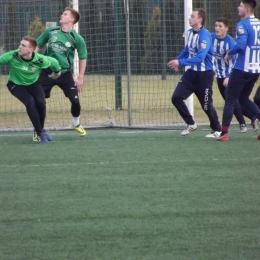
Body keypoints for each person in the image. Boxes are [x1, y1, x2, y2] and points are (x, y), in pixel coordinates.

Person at [35, 7, 87, 141]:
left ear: (71, 19)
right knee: (39, 101)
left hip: (65, 74)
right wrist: (33, 62)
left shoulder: (77, 38)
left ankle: (76, 123)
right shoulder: (50, 31)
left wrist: (80, 77)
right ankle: (38, 129)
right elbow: (37, 45)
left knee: (75, 102)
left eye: (65, 14)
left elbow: (83, 57)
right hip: (47, 72)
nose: (61, 15)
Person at [168, 8, 221, 137]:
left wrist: (180, 63)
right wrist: (178, 60)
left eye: (192, 16)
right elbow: (187, 50)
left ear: (199, 19)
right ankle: (191, 123)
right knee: (176, 97)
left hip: (204, 75)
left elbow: (200, 58)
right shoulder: (190, 32)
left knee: (207, 105)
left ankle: (218, 130)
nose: (189, 18)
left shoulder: (205, 36)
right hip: (191, 74)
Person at [0, 36, 61, 144]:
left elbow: (55, 62)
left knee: (41, 103)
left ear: (31, 50)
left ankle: (41, 129)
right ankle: (40, 134)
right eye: (20, 44)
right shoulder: (12, 56)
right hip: (15, 84)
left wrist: (57, 73)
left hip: (33, 83)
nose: (20, 47)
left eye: (23, 45)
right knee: (30, 102)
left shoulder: (40, 60)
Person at [216, 0, 260, 141]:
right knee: (243, 98)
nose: (238, 8)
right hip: (255, 70)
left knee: (230, 99)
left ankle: (224, 133)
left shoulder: (242, 25)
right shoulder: (258, 24)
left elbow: (240, 45)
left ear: (246, 9)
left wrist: (229, 52)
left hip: (242, 68)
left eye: (240, 6)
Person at [210, 17, 248, 136]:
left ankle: (242, 123)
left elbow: (236, 61)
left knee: (230, 101)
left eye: (220, 26)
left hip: (229, 76)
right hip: (219, 76)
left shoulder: (231, 42)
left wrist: (228, 76)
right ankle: (249, 120)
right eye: (216, 25)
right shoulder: (211, 38)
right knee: (229, 100)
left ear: (226, 28)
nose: (217, 28)